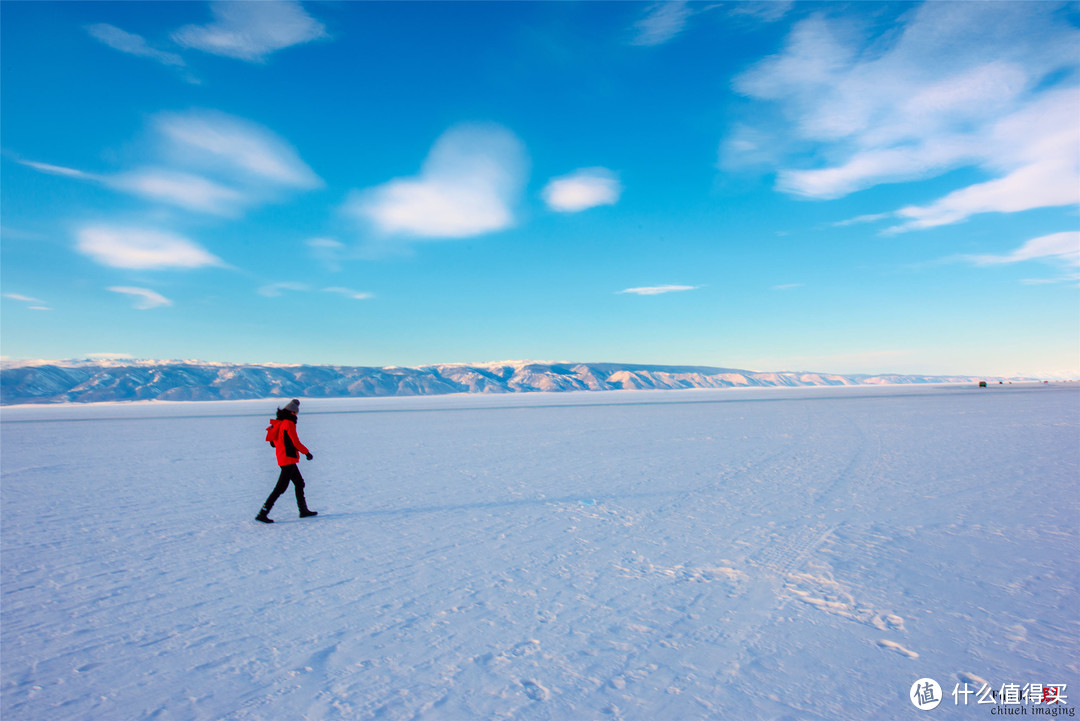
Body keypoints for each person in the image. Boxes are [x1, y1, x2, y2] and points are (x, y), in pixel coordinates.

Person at [256, 398, 317, 523]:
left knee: (299, 483)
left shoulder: (279, 422)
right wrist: (307, 453)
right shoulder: (289, 423)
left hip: (284, 458)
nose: (297, 415)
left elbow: (273, 442)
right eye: (296, 413)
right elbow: (295, 442)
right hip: (287, 459)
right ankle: (263, 513)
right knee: (280, 488)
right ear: (292, 412)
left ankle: (303, 510)